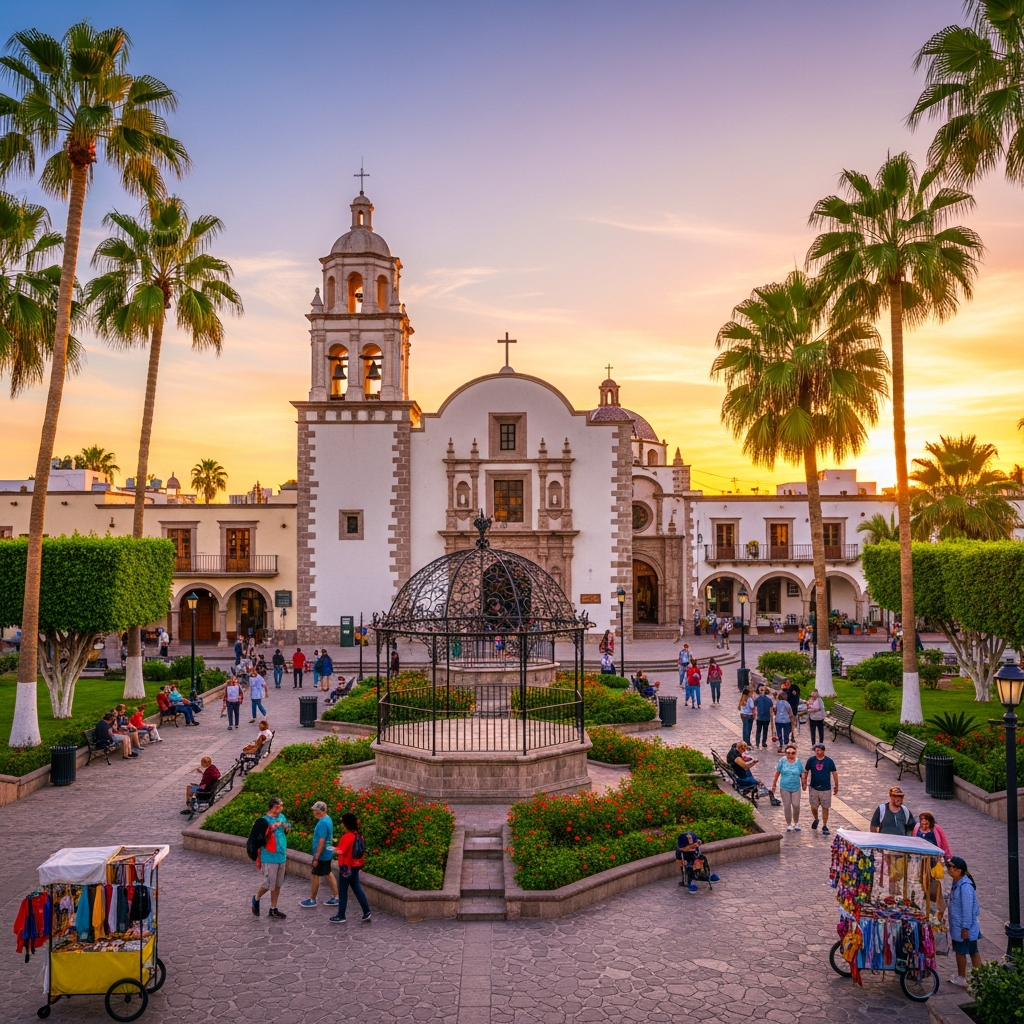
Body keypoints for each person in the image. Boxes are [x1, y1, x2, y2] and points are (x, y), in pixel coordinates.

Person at [330, 812, 371, 923]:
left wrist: (331, 848)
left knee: (343, 892)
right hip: (355, 866)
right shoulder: (359, 835)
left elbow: (341, 850)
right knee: (357, 889)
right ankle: (366, 911)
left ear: (346, 824)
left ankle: (341, 915)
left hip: (346, 867)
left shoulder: (347, 836)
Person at [947, 857, 982, 987]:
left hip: (964, 927)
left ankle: (963, 977)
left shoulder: (965, 887)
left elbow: (967, 909)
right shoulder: (957, 883)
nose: (948, 869)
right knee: (972, 950)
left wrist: (965, 928)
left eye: (950, 866)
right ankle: (980, 978)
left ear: (958, 870)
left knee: (962, 951)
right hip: (962, 925)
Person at [253, 797, 290, 920]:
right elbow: (260, 838)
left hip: (281, 856)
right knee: (269, 883)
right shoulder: (264, 821)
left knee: (278, 884)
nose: (282, 808)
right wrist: (274, 826)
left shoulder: (282, 817)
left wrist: (284, 825)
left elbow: (288, 830)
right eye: (280, 806)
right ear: (274, 807)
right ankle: (256, 898)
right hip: (269, 857)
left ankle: (273, 908)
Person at [300, 801, 340, 908]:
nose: (314, 812)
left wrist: (316, 857)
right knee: (328, 872)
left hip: (322, 854)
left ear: (320, 811)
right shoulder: (328, 819)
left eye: (315, 811)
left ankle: (312, 900)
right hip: (327, 852)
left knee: (315, 875)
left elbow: (321, 841)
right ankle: (336, 897)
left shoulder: (322, 823)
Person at [913, 811, 951, 912]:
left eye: (926, 824)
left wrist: (947, 857)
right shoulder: (917, 828)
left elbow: (944, 843)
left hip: (933, 862)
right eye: (922, 824)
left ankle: (935, 905)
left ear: (930, 822)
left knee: (933, 884)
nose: (924, 826)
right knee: (920, 882)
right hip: (920, 861)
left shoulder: (936, 829)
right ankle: (923, 904)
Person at [801, 743, 838, 836]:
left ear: (823, 751)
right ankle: (816, 818)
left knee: (825, 807)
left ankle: (825, 825)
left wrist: (836, 786)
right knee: (814, 806)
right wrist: (804, 782)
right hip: (813, 787)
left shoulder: (829, 761)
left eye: (819, 750)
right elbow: (806, 771)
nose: (817, 752)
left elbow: (834, 774)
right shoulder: (811, 760)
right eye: (816, 750)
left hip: (826, 788)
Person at [772, 744, 803, 831]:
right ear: (785, 753)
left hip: (796, 787)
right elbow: (777, 773)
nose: (790, 755)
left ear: (795, 753)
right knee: (787, 806)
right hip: (784, 787)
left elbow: (802, 773)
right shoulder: (782, 761)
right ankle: (789, 824)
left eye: (793, 753)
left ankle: (796, 822)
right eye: (788, 753)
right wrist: (774, 785)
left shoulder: (798, 762)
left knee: (796, 805)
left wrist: (804, 783)